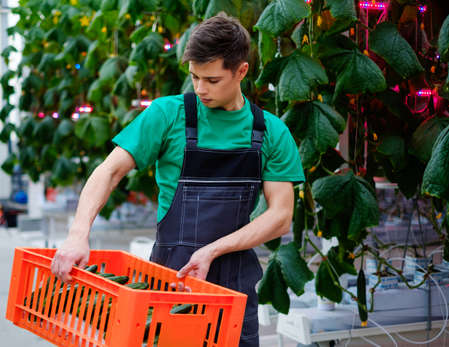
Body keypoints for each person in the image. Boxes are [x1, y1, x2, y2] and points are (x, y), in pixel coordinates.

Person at [51, 12, 304, 347]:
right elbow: (108, 171)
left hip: (234, 290)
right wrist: (77, 235)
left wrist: (212, 250)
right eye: (194, 77)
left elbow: (280, 216)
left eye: (212, 80)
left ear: (241, 71)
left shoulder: (270, 131)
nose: (200, 89)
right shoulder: (168, 114)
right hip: (171, 282)